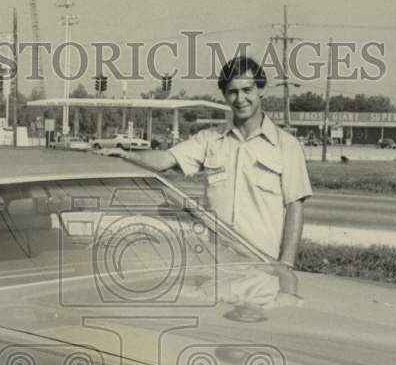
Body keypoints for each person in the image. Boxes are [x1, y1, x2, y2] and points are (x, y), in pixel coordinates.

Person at [96, 56, 311, 266]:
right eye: (233, 92)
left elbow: (295, 207)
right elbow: (165, 160)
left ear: (261, 90)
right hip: (216, 263)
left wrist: (286, 262)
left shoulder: (286, 146)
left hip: (263, 263)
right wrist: (126, 154)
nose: (240, 99)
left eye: (247, 90)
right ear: (225, 96)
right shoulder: (210, 140)